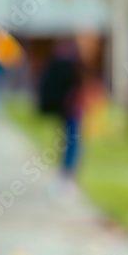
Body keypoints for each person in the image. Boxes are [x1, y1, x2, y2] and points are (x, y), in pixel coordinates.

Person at [38, 39, 85, 183]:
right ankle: (67, 173)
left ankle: (67, 172)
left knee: (69, 140)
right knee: (71, 141)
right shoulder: (69, 66)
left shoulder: (64, 65)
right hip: (71, 109)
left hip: (69, 109)